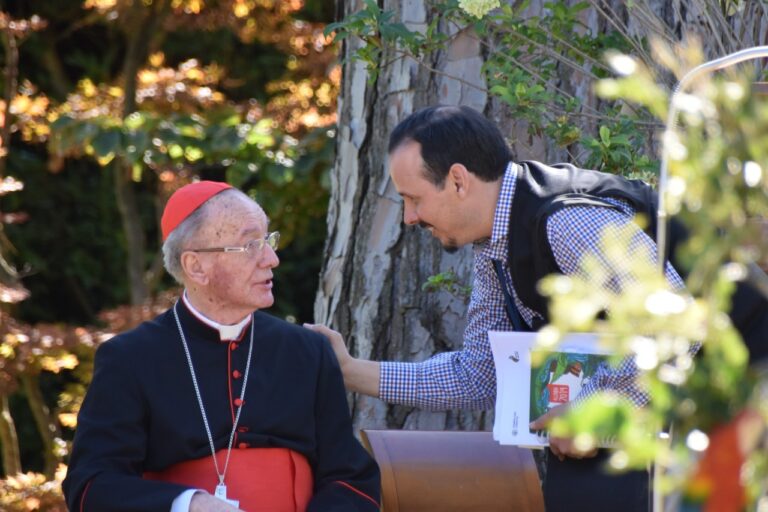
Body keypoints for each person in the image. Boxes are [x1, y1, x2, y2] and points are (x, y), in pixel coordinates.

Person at [304, 105, 768, 512]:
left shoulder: (568, 222)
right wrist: (348, 371)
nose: (409, 217)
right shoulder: (493, 246)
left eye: (413, 199)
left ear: (459, 181)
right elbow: (479, 375)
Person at [63, 181, 380, 512]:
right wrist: (189, 504)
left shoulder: (308, 352)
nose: (271, 259)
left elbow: (352, 480)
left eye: (268, 241)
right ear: (196, 267)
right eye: (250, 245)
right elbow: (92, 486)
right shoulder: (130, 359)